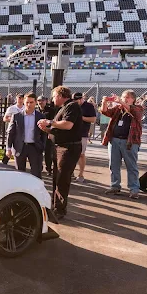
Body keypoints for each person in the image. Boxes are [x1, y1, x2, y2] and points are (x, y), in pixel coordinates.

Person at [37, 86, 82, 220]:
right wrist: (46, 129)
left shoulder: (72, 106)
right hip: (60, 146)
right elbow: (60, 130)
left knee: (62, 179)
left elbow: (68, 125)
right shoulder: (62, 108)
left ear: (61, 95)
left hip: (69, 148)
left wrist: (50, 122)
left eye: (54, 96)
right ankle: (55, 206)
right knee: (57, 178)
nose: (52, 99)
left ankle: (59, 210)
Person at [101, 90, 144, 199]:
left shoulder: (138, 108)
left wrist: (121, 102)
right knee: (114, 165)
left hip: (129, 142)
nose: (125, 99)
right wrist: (104, 101)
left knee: (131, 166)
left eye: (127, 97)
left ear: (133, 99)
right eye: (124, 97)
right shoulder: (118, 109)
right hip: (114, 140)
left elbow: (134, 112)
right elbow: (105, 112)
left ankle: (134, 189)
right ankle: (115, 185)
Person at [6, 93, 46, 178]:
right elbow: (11, 133)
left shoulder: (41, 116)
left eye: (31, 102)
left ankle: (35, 190)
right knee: (20, 173)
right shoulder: (17, 116)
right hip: (20, 147)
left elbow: (44, 133)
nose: (29, 104)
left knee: (36, 173)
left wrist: (42, 146)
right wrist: (8, 148)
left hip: (35, 147)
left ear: (35, 103)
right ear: (24, 102)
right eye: (27, 102)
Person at [74, 92, 97, 183]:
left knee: (81, 154)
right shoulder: (72, 105)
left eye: (77, 100)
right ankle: (70, 172)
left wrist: (81, 118)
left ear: (81, 99)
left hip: (82, 133)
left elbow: (93, 119)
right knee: (70, 154)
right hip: (71, 132)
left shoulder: (88, 106)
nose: (75, 102)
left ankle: (81, 174)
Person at [2, 94, 25, 164]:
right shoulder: (11, 108)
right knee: (10, 144)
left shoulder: (25, 108)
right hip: (13, 130)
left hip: (22, 130)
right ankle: (5, 160)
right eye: (19, 98)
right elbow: (5, 118)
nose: (20, 100)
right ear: (16, 98)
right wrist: (13, 120)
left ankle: (20, 162)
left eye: (22, 98)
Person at [38, 95, 55, 175]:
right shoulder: (36, 111)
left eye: (42, 100)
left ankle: (49, 168)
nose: (40, 102)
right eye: (39, 101)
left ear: (46, 101)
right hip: (38, 134)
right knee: (38, 151)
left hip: (47, 133)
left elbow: (53, 122)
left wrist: (50, 132)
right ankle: (39, 167)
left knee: (48, 152)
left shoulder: (50, 110)